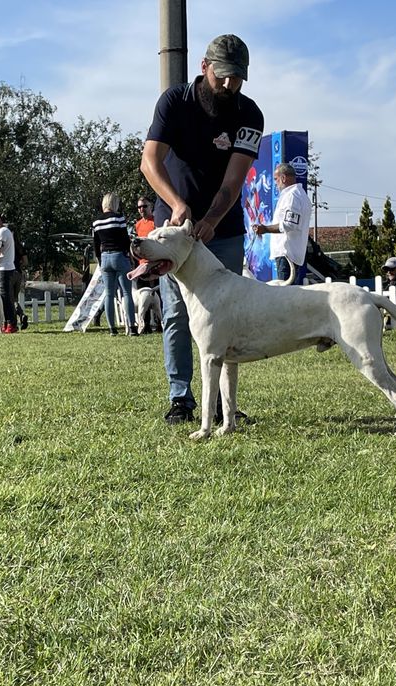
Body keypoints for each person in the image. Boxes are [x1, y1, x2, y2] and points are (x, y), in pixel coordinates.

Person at [141, 33, 264, 424]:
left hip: (222, 228)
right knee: (177, 312)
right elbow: (149, 162)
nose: (230, 85)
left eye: (238, 78)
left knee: (226, 316)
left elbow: (233, 182)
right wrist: (178, 205)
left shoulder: (250, 114)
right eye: (223, 76)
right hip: (173, 226)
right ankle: (182, 398)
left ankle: (224, 407)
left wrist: (210, 219)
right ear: (204, 67)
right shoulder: (174, 102)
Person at [254, 163, 312, 285]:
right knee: (289, 295)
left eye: (276, 179)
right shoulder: (298, 194)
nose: (275, 183)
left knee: (284, 297)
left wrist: (265, 229)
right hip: (291, 253)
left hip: (287, 254)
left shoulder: (292, 196)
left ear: (283, 178)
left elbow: (289, 224)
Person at [92, 192, 136, 336]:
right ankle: (131, 328)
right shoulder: (119, 218)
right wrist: (127, 254)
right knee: (126, 293)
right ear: (114, 203)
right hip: (119, 255)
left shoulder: (96, 221)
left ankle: (112, 329)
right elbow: (125, 239)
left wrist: (99, 259)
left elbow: (95, 244)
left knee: (109, 294)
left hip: (105, 257)